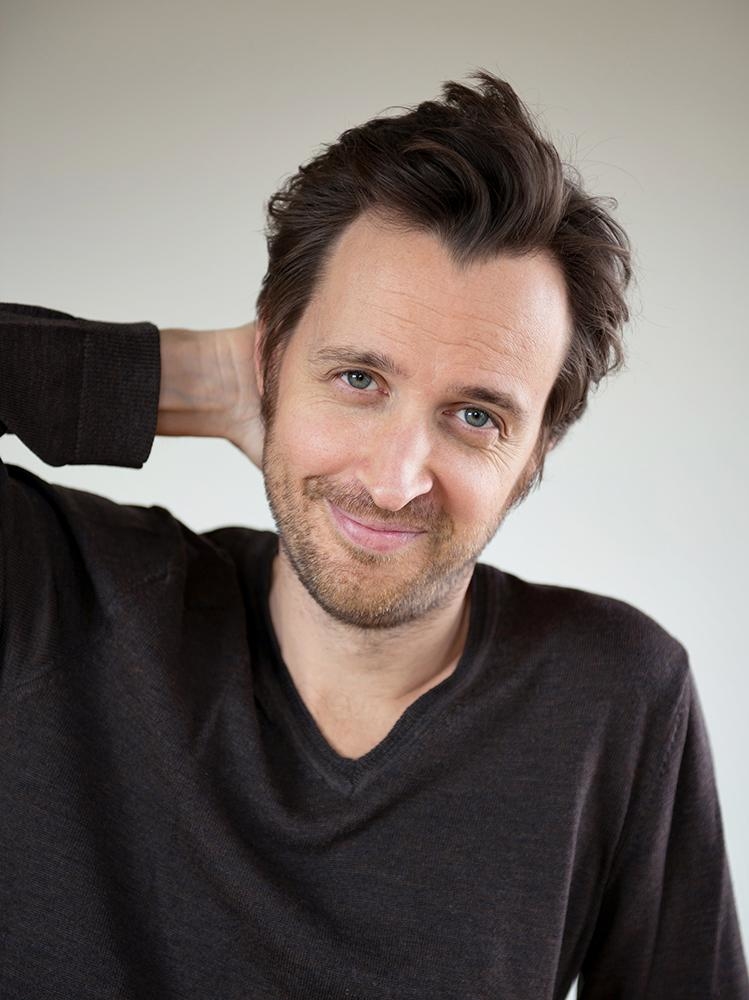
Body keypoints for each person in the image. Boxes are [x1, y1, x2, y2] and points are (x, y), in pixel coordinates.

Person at [0, 70, 746, 999]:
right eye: (358, 379)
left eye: (475, 416)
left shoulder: (613, 694)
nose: (394, 482)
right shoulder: (61, 589)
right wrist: (189, 375)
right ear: (269, 363)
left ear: (533, 456)